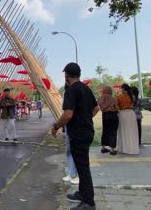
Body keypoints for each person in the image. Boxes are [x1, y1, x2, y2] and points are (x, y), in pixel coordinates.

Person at [51, 62, 99, 210]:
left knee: (83, 168)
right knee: (81, 166)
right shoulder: (86, 88)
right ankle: (83, 194)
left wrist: (56, 126)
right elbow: (96, 108)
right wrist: (85, 118)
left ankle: (89, 202)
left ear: (67, 75)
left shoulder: (71, 90)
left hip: (78, 134)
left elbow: (68, 114)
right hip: (87, 131)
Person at [62, 84, 79, 185]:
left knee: (76, 150)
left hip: (77, 125)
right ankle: (71, 173)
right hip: (68, 125)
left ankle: (77, 175)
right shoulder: (66, 93)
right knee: (69, 150)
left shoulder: (80, 91)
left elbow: (95, 108)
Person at [116, 84, 140, 155]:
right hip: (131, 114)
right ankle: (132, 148)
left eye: (121, 89)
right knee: (132, 131)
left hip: (123, 114)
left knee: (123, 131)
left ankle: (124, 148)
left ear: (124, 89)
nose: (121, 90)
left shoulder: (119, 97)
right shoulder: (133, 97)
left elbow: (117, 107)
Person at [98, 86, 119, 155]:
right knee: (113, 131)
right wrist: (111, 109)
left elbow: (100, 108)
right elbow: (117, 108)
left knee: (105, 130)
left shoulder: (100, 98)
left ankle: (103, 148)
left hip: (105, 116)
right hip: (113, 115)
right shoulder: (113, 98)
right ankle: (112, 150)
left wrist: (106, 109)